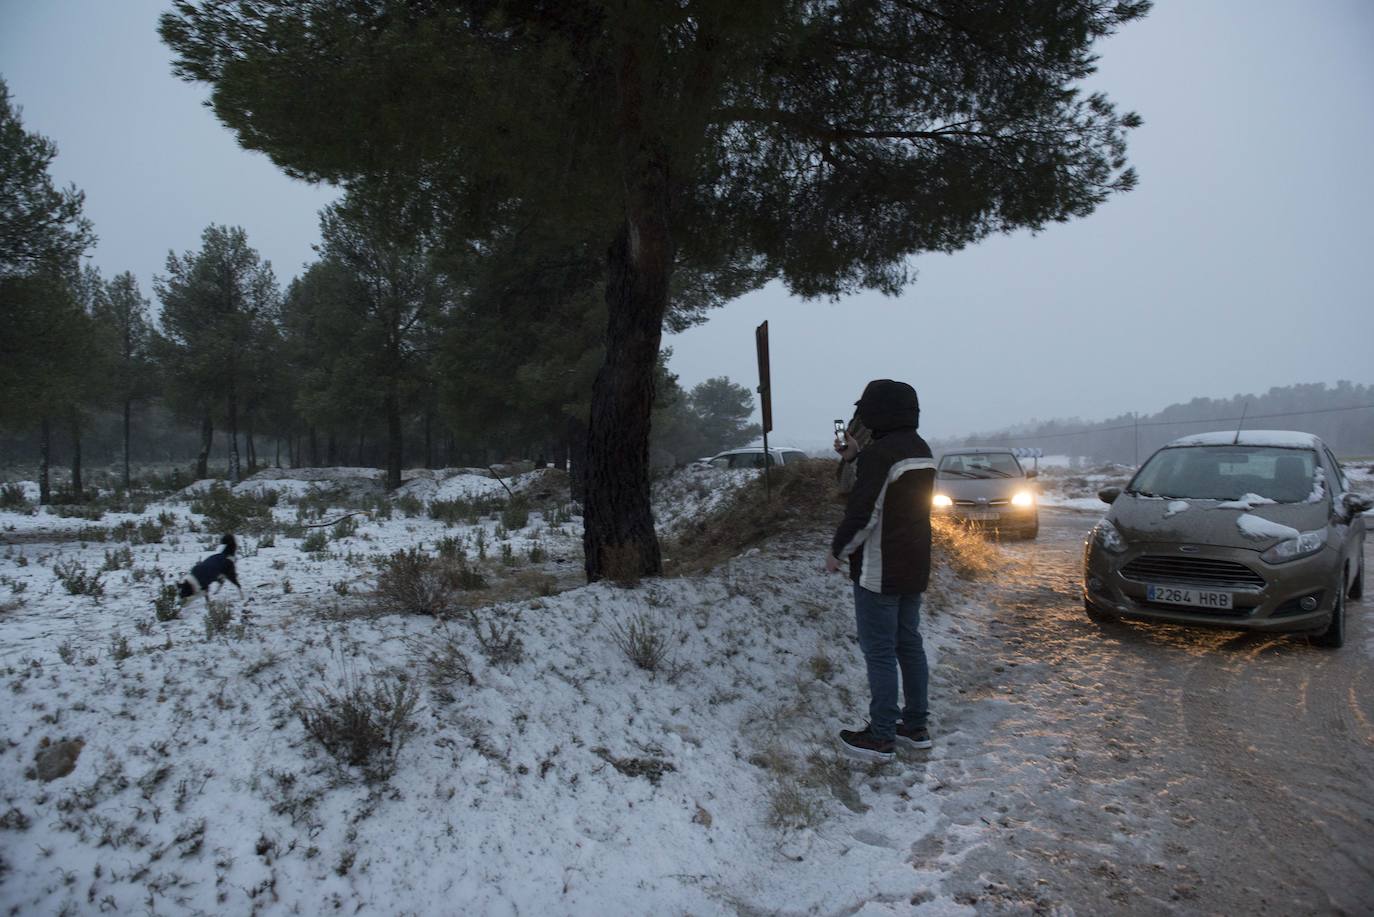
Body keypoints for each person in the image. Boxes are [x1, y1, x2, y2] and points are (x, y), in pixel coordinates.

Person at [825, 379, 937, 762]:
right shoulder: (921, 450)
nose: (862, 417)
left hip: (879, 570)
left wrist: (837, 551)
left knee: (880, 653)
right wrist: (856, 457)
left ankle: (882, 736)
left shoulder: (881, 455)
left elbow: (864, 513)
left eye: (866, 409)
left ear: (880, 412)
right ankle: (916, 726)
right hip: (914, 565)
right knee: (909, 644)